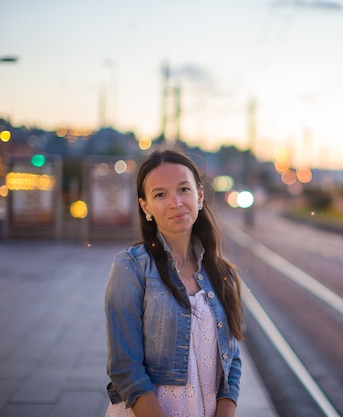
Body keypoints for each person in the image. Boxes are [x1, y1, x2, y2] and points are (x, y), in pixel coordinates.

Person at [104, 149, 244, 417]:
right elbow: (125, 368)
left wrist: (226, 410)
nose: (176, 202)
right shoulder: (131, 267)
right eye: (160, 194)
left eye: (183, 189)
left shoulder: (220, 272)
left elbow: (232, 357)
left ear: (199, 195)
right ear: (146, 207)